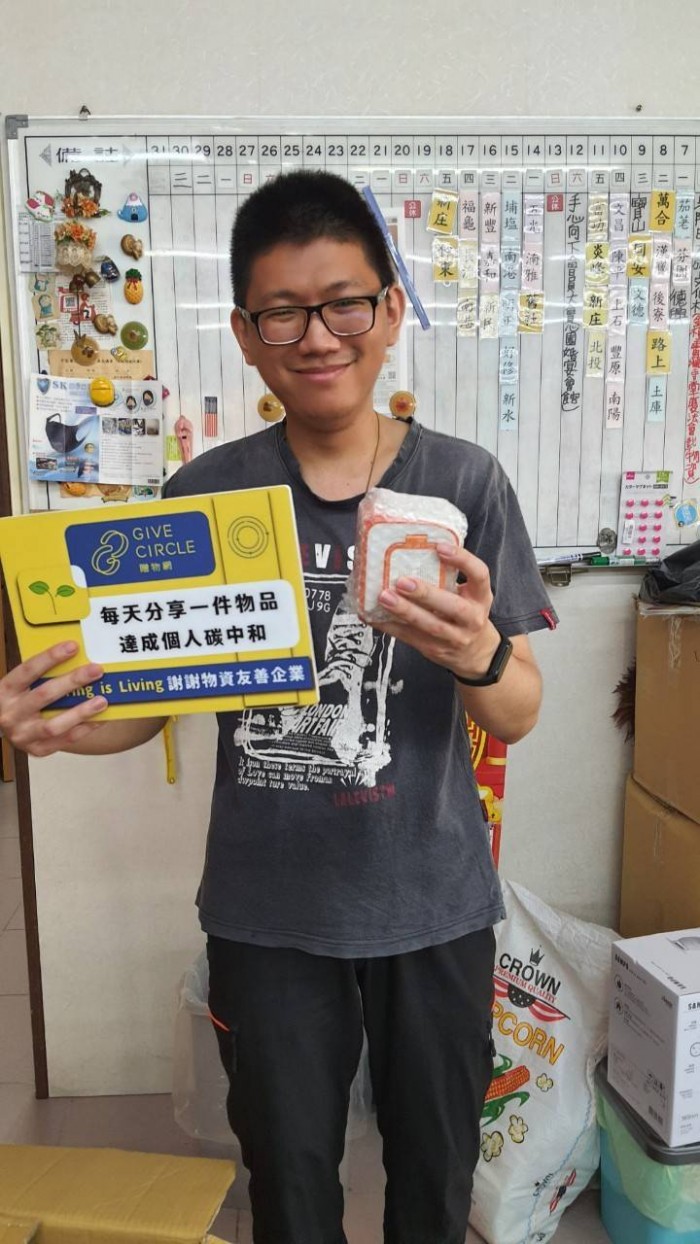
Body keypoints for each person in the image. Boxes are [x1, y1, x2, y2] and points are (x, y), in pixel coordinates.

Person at [0, 171, 556, 1244]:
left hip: (434, 905)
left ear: (389, 311)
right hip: (268, 912)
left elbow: (519, 711)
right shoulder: (206, 496)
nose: (318, 337)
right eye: (282, 314)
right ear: (246, 337)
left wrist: (480, 650)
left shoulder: (464, 484)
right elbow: (147, 706)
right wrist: (54, 729)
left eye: (344, 304)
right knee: (289, 1186)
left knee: (435, 1179)